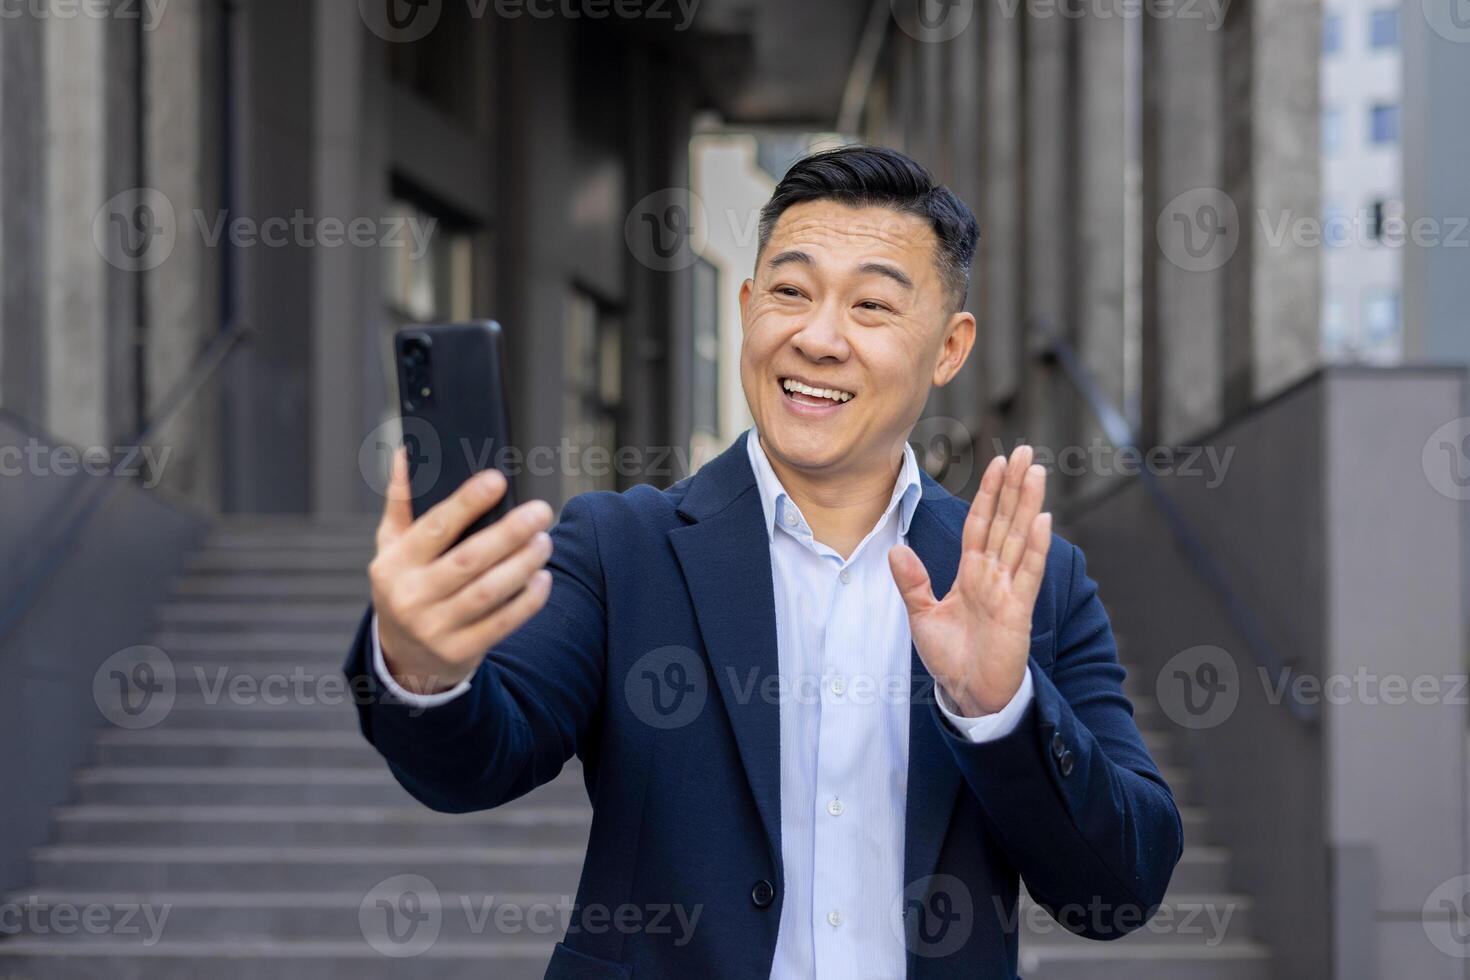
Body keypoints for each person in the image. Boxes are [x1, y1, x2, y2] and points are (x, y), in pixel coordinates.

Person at [345, 144, 1182, 979]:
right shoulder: (620, 548)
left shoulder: (1031, 582)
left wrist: (998, 709)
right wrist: (423, 669)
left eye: (872, 307)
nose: (818, 339)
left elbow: (1119, 884)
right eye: (790, 291)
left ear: (949, 348)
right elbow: (477, 760)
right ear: (748, 308)